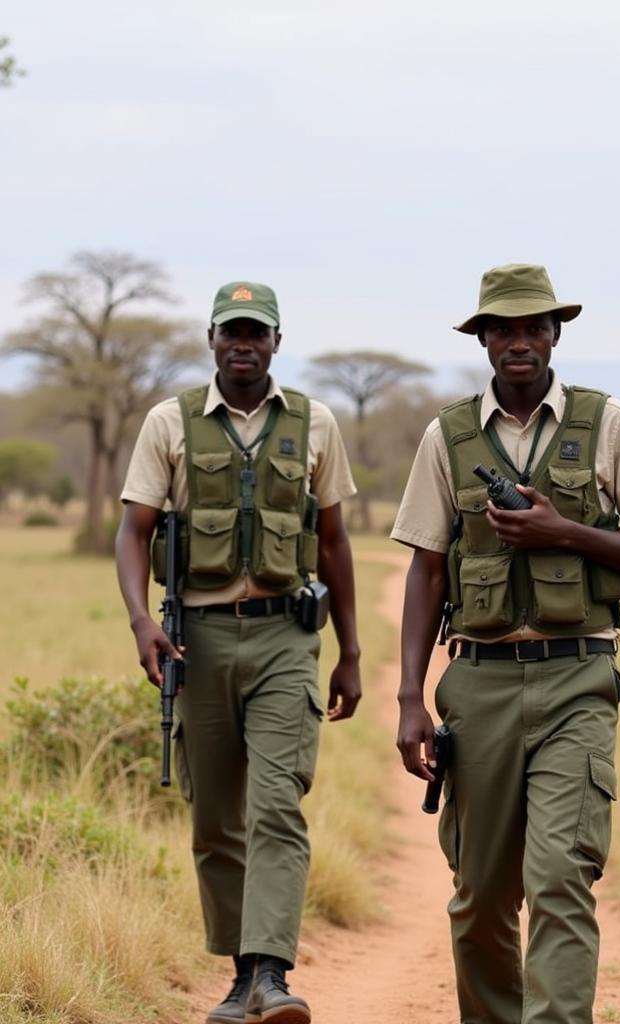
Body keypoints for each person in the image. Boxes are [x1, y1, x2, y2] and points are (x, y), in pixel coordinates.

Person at [392, 263, 620, 1024]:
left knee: (559, 879)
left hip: (577, 678)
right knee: (482, 896)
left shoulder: (607, 422)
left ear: (556, 336)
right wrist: (409, 698)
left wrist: (566, 532)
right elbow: (425, 569)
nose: (520, 343)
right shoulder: (446, 436)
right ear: (484, 340)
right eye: (505, 330)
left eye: (534, 329)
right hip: (478, 684)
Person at [115, 280, 362, 1024]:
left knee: (277, 804)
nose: (244, 345)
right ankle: (238, 973)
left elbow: (333, 539)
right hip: (200, 638)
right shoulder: (170, 422)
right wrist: (139, 622)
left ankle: (271, 974)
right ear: (212, 339)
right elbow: (133, 531)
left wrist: (350, 651)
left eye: (258, 333)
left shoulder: (315, 423)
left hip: (289, 637)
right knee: (215, 817)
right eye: (232, 332)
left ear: (277, 343)